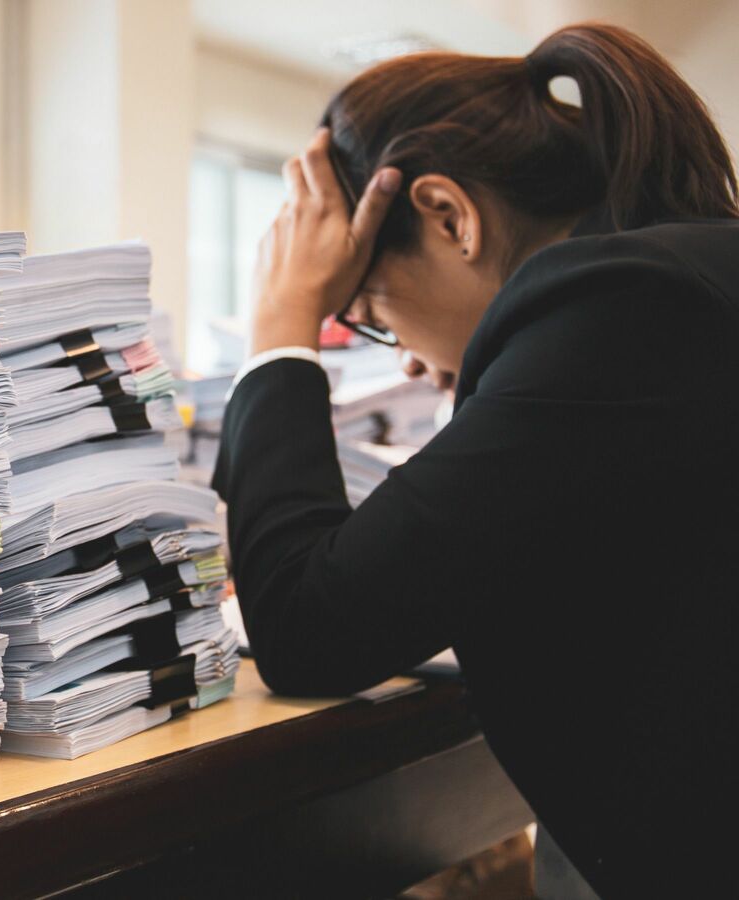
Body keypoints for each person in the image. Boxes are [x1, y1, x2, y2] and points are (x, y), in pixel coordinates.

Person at [211, 22, 738, 899]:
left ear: (450, 217)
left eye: (373, 310)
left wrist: (284, 324)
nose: (406, 358)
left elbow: (306, 628)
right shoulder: (678, 279)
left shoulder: (614, 310)